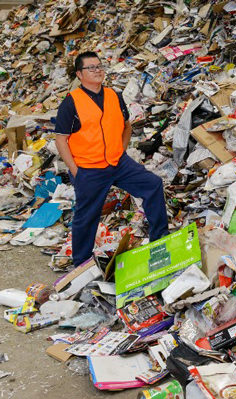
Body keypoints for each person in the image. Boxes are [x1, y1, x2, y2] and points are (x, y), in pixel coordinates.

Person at [55, 51, 169, 267]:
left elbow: (126, 126)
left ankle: (160, 241)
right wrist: (75, 170)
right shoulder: (71, 103)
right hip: (89, 168)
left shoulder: (114, 95)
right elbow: (61, 139)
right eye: (91, 67)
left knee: (153, 185)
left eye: (99, 66)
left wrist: (121, 150)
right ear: (79, 74)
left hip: (118, 162)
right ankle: (81, 264)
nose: (97, 70)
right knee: (86, 216)